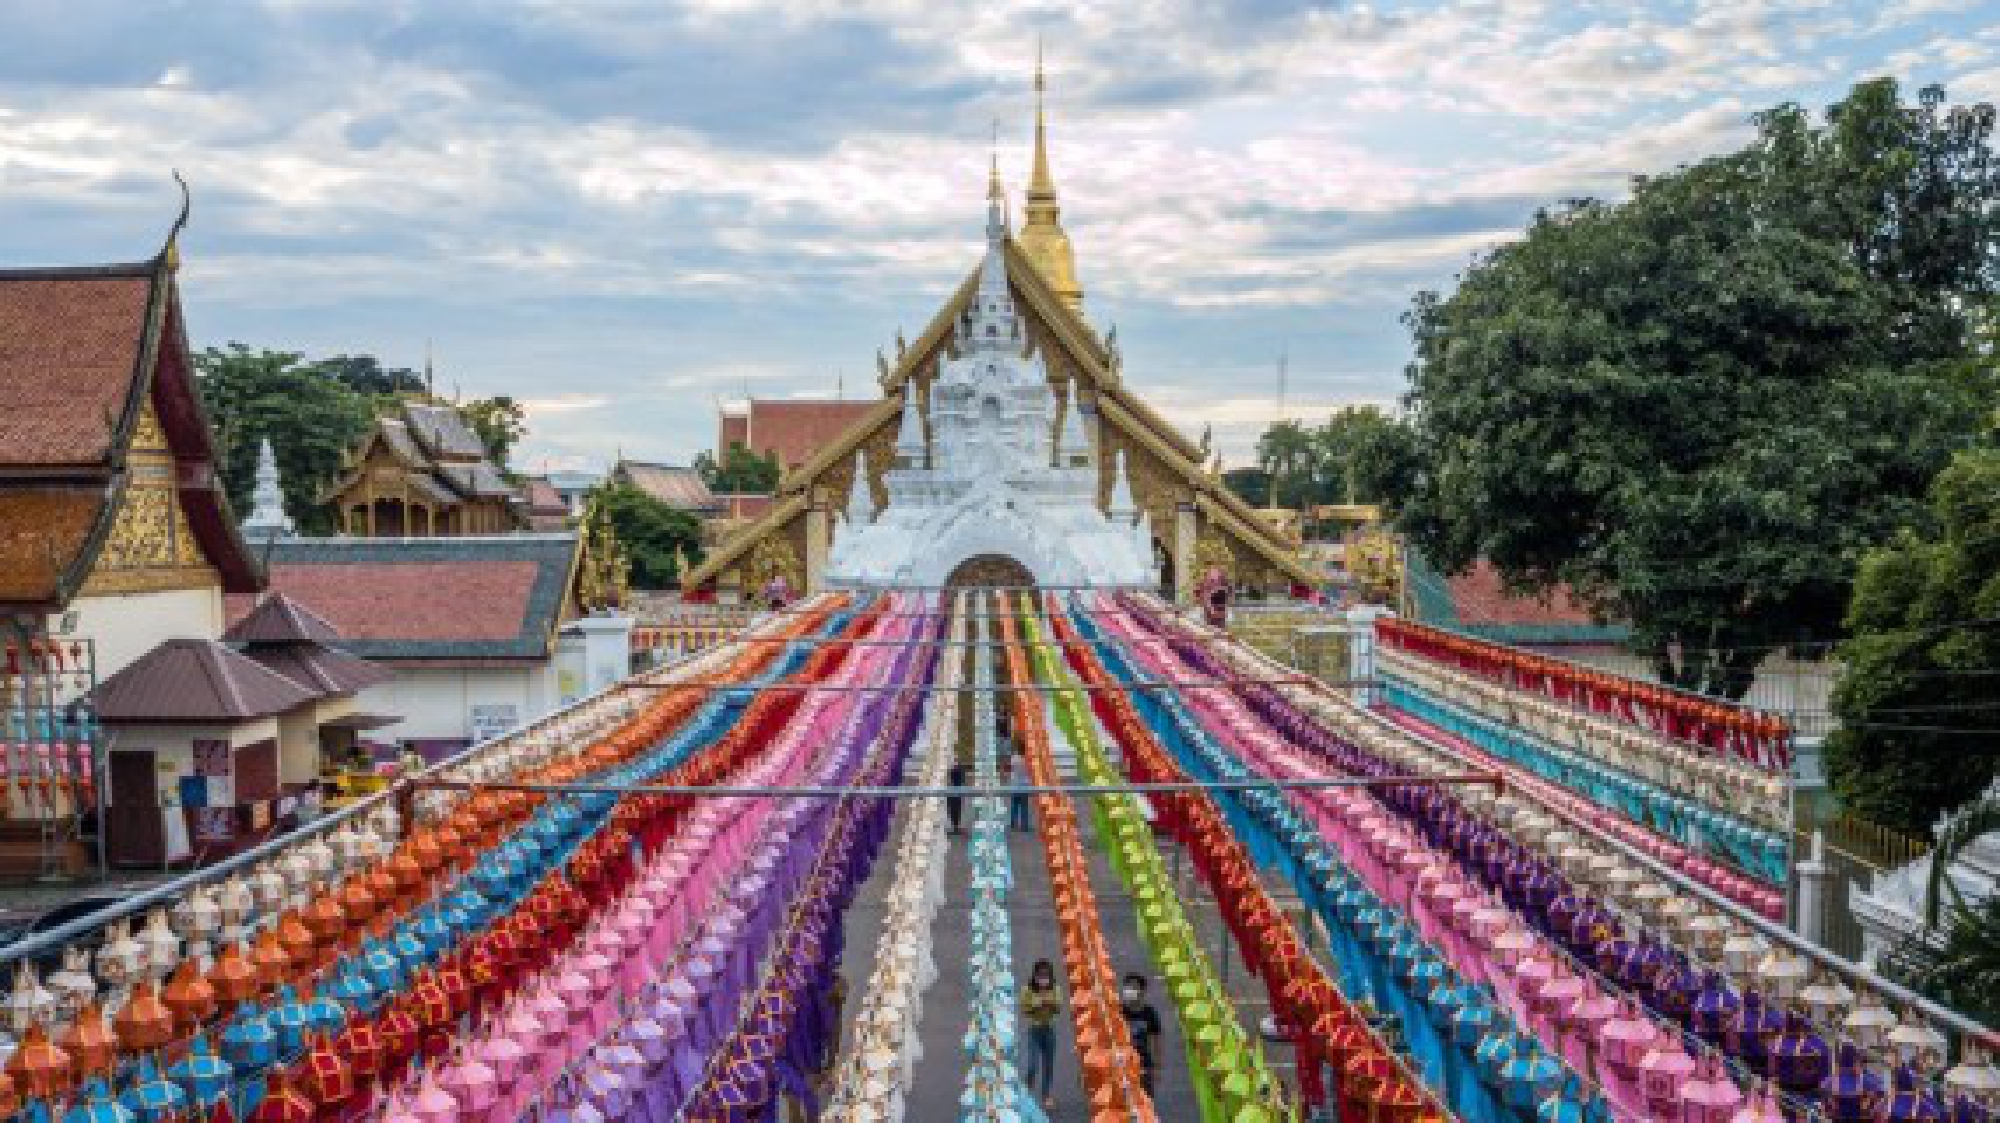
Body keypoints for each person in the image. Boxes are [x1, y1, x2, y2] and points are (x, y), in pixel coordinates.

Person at [1019, 959, 1061, 1107]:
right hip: (1034, 1031)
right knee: (1032, 1065)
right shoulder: (1027, 990)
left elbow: (1058, 1008)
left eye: (1046, 975)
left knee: (1048, 1066)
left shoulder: (1055, 989)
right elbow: (1024, 1009)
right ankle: (1026, 1091)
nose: (1043, 979)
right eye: (1040, 975)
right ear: (1035, 975)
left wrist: (1049, 1003)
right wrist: (1037, 1004)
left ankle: (1046, 1095)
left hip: (1049, 1030)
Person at [1121, 972, 1163, 1096]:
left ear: (1142, 991)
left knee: (1145, 1096)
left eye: (1134, 987)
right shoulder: (1118, 1012)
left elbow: (1156, 1040)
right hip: (1123, 1063)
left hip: (1144, 1062)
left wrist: (1157, 1066)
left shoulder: (1149, 1013)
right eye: (1128, 987)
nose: (1130, 991)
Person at [946, 760, 968, 834]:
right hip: (956, 793)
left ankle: (955, 827)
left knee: (954, 810)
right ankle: (955, 827)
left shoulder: (954, 771)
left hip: (953, 793)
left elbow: (949, 781)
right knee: (956, 810)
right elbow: (963, 781)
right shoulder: (959, 772)